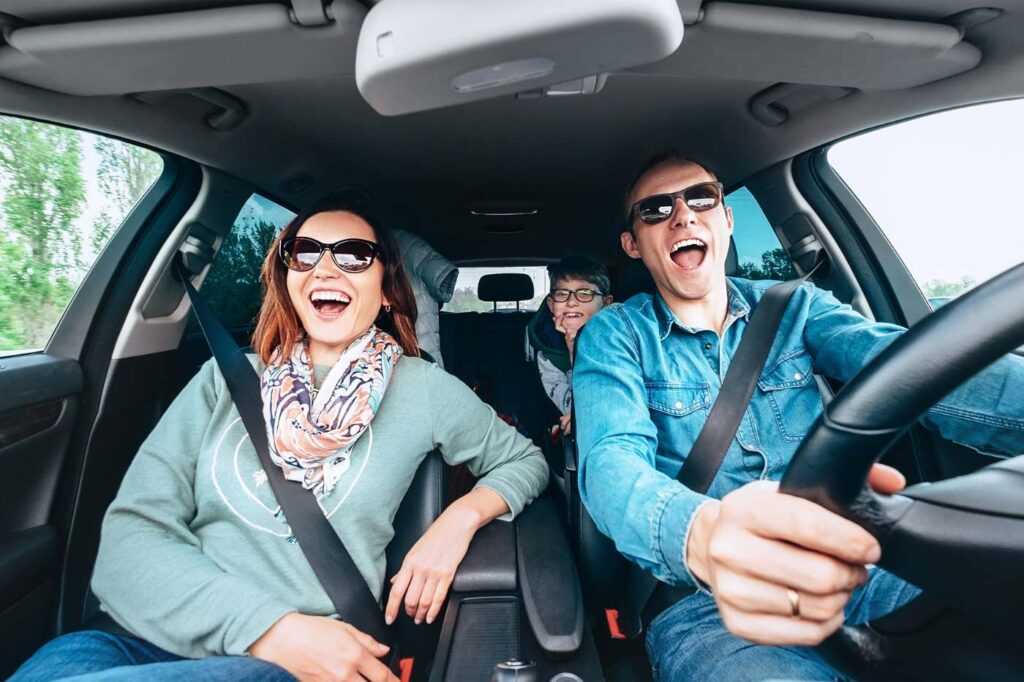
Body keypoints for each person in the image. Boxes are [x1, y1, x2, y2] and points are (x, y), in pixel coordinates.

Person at [13, 204, 548, 682]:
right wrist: (264, 626)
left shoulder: (424, 388)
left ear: (387, 290)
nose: (326, 267)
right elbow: (129, 542)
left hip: (300, 661)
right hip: (134, 640)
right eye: (305, 252)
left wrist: (458, 520)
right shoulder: (224, 379)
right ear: (288, 279)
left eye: (355, 254)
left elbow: (524, 460)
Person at [572, 152, 1024, 681]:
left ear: (726, 217)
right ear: (633, 244)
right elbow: (610, 462)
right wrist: (703, 533)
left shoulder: (796, 307)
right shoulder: (615, 334)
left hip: (860, 568)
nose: (684, 216)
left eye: (701, 199)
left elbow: (913, 369)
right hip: (709, 606)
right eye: (656, 209)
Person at [527, 255, 612, 436]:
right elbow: (572, 406)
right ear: (551, 304)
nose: (571, 302)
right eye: (562, 294)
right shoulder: (548, 351)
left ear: (606, 304)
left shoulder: (622, 340)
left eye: (584, 294)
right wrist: (574, 352)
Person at [392, 228, 458, 368]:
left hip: (419, 344)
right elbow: (442, 288)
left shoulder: (407, 245)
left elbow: (442, 284)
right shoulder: (408, 245)